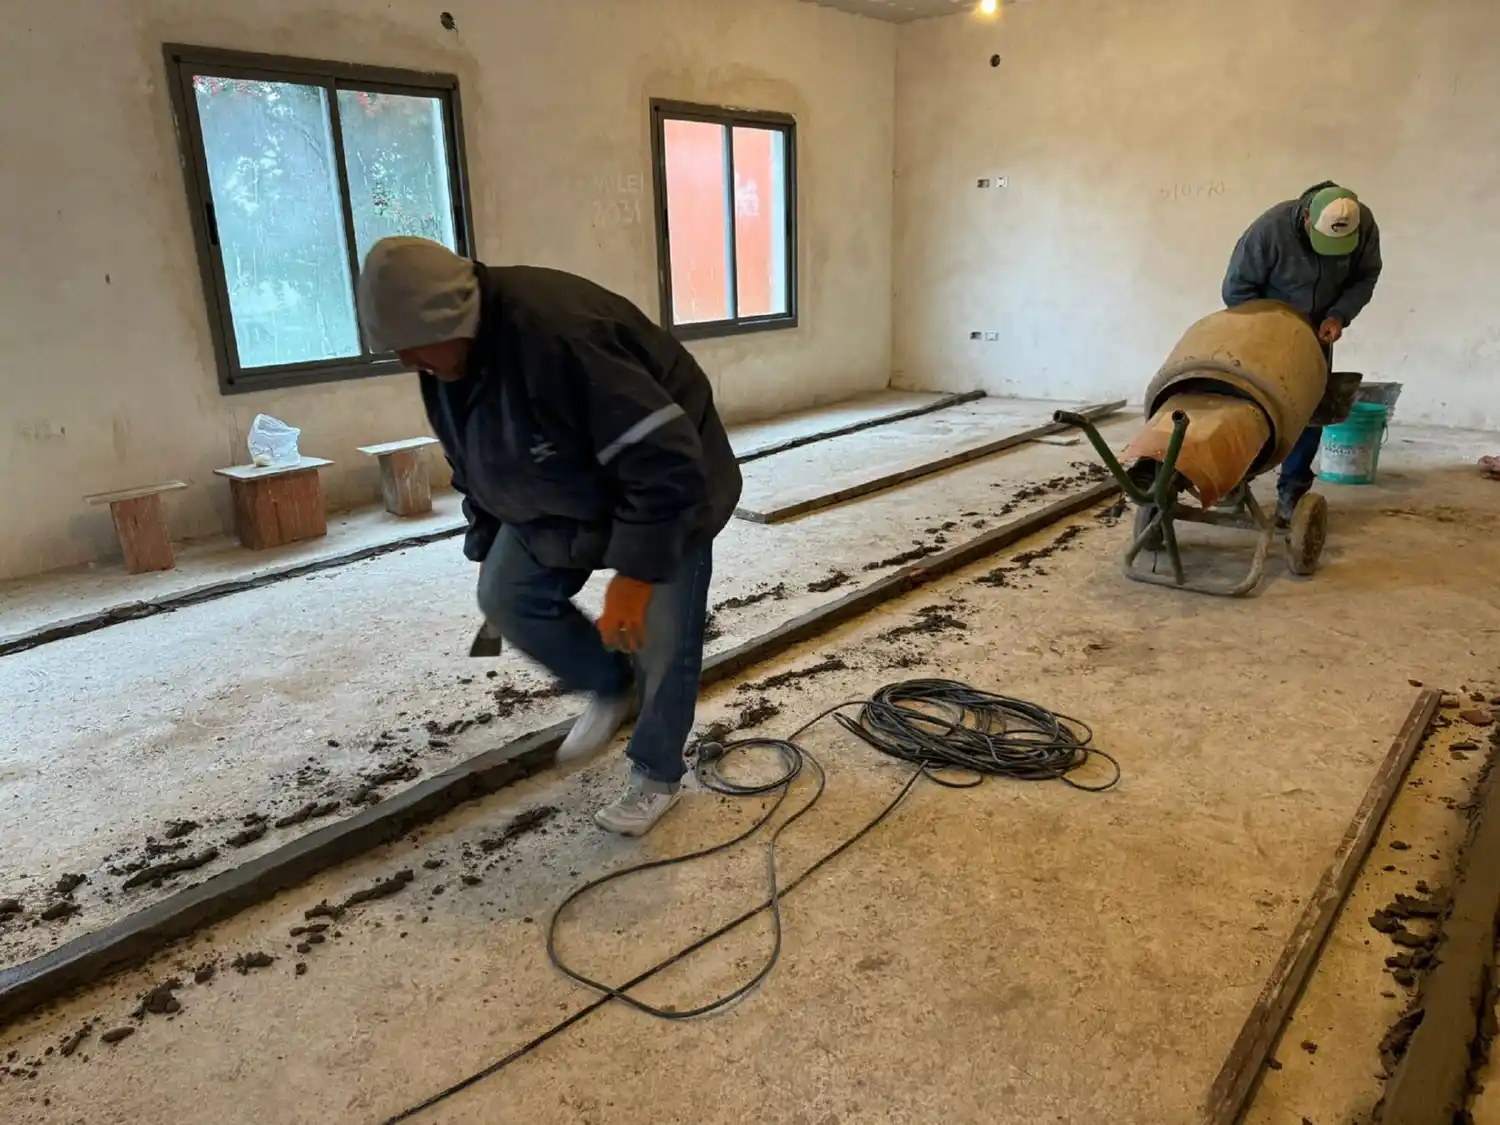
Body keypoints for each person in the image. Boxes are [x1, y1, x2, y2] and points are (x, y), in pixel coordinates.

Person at [356, 237, 742, 838]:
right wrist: (487, 548)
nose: (408, 361)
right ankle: (611, 683)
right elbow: (473, 462)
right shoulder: (446, 362)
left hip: (670, 490)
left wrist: (636, 577)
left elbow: (663, 461)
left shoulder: (561, 336)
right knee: (506, 595)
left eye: (412, 347)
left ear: (452, 318)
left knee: (662, 638)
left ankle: (656, 773)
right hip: (565, 486)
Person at [1222, 182, 1383, 522]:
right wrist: (1272, 328)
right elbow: (1236, 289)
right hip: (1265, 332)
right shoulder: (1270, 230)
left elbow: (1366, 275)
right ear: (1307, 218)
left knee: (1310, 409)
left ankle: (1292, 491)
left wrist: (1339, 314)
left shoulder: (1362, 223)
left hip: (1317, 333)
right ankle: (1236, 478)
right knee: (1252, 406)